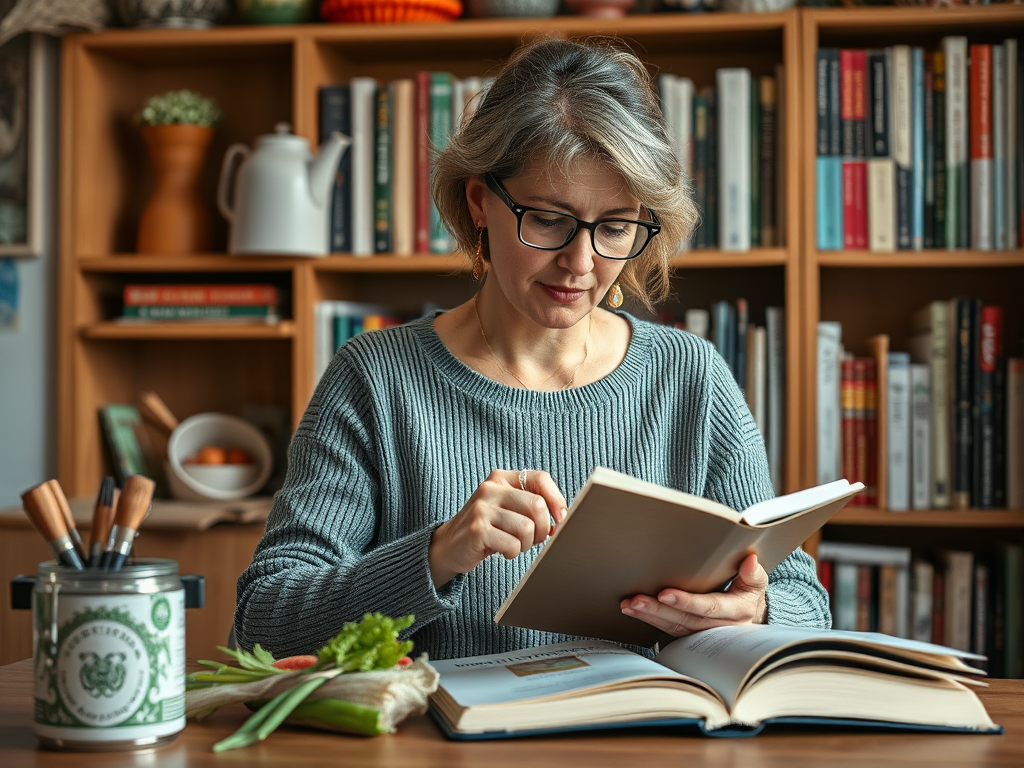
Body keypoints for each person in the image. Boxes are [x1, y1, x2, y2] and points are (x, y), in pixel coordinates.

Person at [234, 36, 830, 661]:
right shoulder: (377, 379)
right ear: (479, 201)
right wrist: (437, 555)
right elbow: (261, 623)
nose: (580, 262)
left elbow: (804, 599)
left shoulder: (691, 377)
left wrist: (757, 607)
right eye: (548, 219)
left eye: (616, 227)